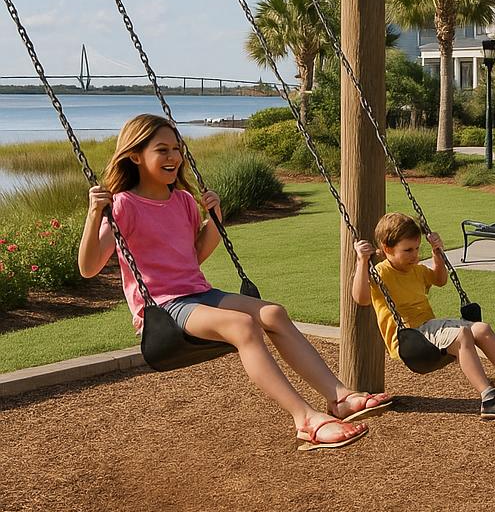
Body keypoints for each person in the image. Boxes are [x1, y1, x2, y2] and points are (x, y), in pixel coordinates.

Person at [78, 114, 390, 451]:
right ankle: (306, 420)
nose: (173, 157)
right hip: (165, 309)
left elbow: (192, 256)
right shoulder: (124, 205)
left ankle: (339, 397)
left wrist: (215, 219)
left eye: (176, 148)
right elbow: (89, 267)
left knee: (274, 313)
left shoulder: (183, 200)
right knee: (243, 326)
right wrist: (94, 215)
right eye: (162, 150)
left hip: (200, 294)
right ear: (135, 155)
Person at [352, 212, 495, 420]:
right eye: (407, 250)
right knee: (463, 334)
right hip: (410, 338)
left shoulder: (417, 269)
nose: (414, 255)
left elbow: (440, 280)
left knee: (482, 329)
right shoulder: (380, 272)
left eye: (416, 248)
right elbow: (361, 298)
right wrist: (362, 261)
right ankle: (489, 398)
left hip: (430, 328)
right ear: (387, 249)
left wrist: (436, 253)